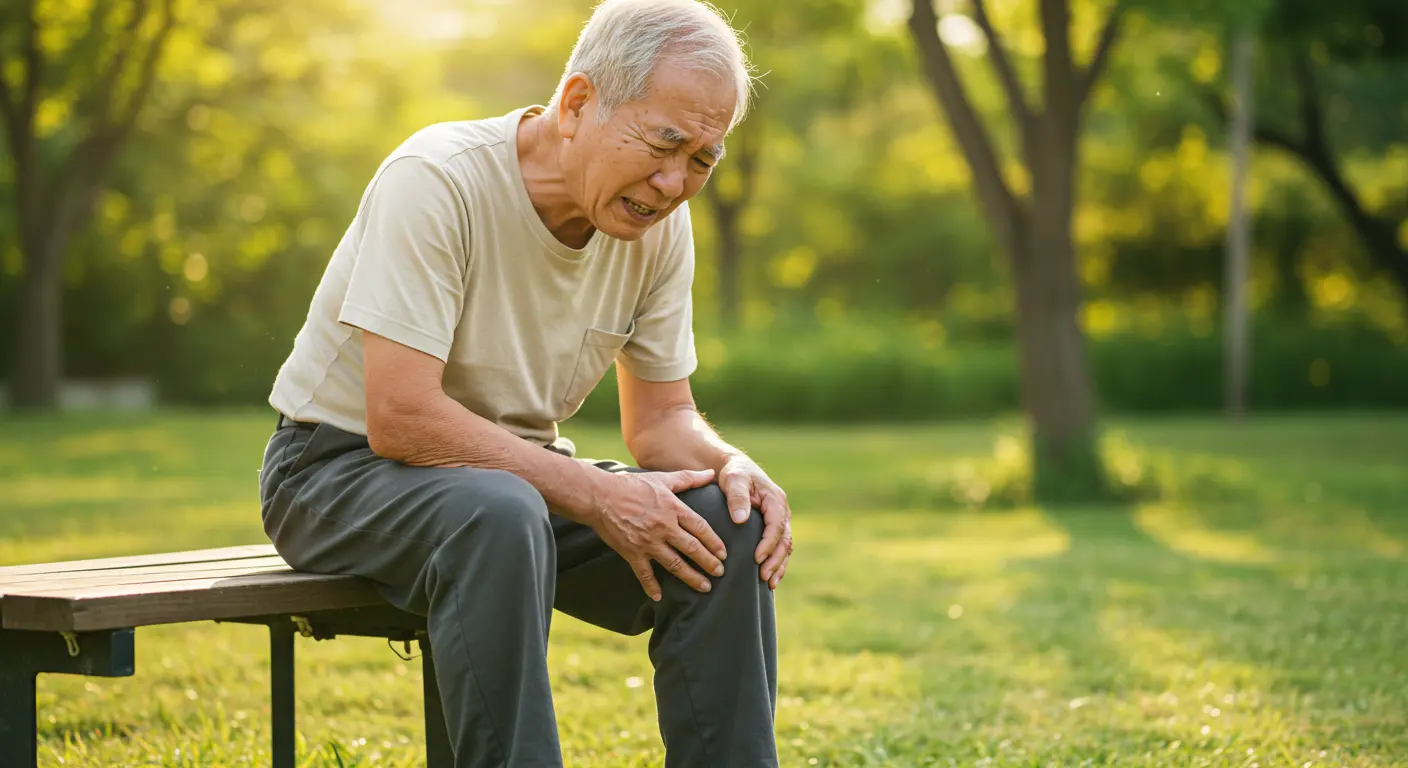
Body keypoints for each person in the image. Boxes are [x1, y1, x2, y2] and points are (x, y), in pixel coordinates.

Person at [256, 0, 791, 765]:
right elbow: (400, 416)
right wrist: (599, 494)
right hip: (335, 473)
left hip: (511, 483)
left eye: (704, 158)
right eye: (664, 142)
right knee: (499, 512)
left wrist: (728, 464)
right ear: (577, 103)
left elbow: (662, 419)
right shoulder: (437, 179)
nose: (675, 182)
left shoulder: (657, 227)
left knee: (723, 525)